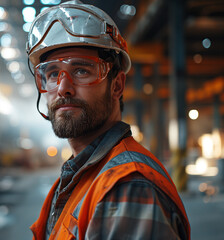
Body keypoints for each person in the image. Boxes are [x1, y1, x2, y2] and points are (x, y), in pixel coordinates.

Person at [26, 0, 190, 239]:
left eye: (81, 70)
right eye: (52, 74)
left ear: (117, 85)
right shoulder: (82, 175)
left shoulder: (127, 188)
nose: (63, 88)